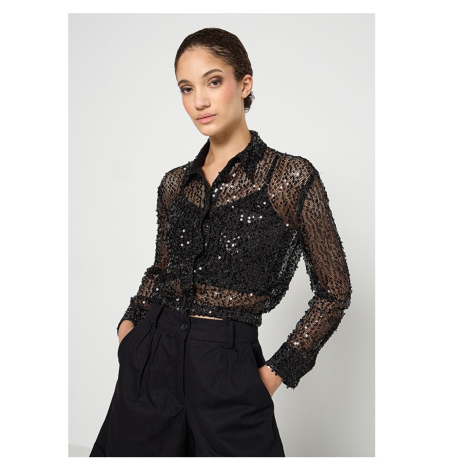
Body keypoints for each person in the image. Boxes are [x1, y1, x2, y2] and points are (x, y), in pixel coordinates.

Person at [89, 27, 352, 457]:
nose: (199, 101)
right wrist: (129, 331)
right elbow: (162, 270)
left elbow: (334, 291)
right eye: (186, 88)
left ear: (244, 84)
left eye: (213, 81)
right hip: (152, 358)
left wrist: (274, 373)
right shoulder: (175, 184)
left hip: (228, 369)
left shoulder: (289, 178)